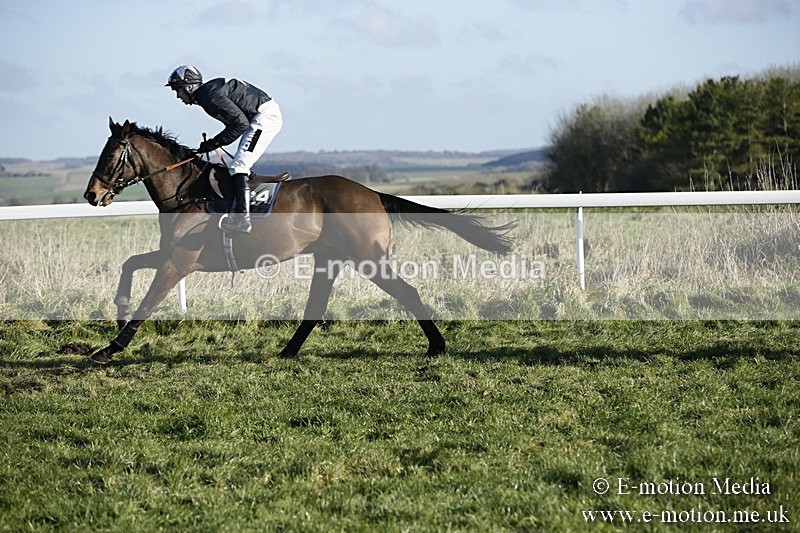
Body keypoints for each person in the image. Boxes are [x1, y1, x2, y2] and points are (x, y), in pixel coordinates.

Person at [165, 65, 283, 234]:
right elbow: (236, 123)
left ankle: (243, 219)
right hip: (257, 116)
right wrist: (215, 143)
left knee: (239, 166)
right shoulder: (207, 95)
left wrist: (214, 143)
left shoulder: (209, 97)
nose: (178, 95)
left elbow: (240, 124)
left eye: (178, 90)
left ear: (189, 86)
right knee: (238, 164)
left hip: (264, 117)